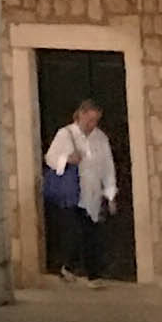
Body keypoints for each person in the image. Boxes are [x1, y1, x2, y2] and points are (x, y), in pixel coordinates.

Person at [42, 97, 120, 279]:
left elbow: (108, 167)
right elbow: (50, 158)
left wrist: (110, 194)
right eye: (90, 120)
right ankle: (70, 266)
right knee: (75, 231)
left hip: (92, 193)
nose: (93, 124)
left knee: (92, 233)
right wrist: (67, 159)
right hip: (73, 193)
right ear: (81, 115)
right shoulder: (65, 134)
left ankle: (92, 273)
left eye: (96, 121)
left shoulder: (100, 138)